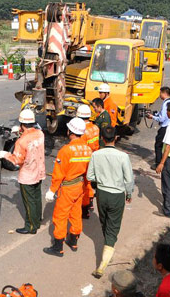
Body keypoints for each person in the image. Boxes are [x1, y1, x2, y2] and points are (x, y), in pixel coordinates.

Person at [87, 126, 134, 278]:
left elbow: (90, 176)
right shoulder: (123, 157)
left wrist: (99, 182)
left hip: (102, 194)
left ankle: (108, 247)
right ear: (116, 138)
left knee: (105, 222)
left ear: (102, 139)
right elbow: (128, 179)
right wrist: (129, 193)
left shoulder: (96, 155)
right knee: (113, 227)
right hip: (116, 195)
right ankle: (102, 264)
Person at [44, 117, 92, 257]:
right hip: (79, 186)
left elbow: (59, 174)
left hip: (68, 188)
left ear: (70, 132)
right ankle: (73, 240)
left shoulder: (66, 150)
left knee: (60, 215)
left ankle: (58, 247)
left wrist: (52, 190)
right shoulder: (87, 149)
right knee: (76, 213)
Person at [0, 109, 46, 234]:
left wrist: (5, 154)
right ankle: (37, 219)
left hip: (28, 175)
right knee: (36, 198)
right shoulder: (40, 134)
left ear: (22, 124)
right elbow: (32, 136)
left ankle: (31, 226)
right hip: (39, 171)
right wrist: (20, 132)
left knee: (29, 201)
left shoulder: (21, 141)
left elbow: (17, 160)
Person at [76, 104, 99, 218]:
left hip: (85, 160)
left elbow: (80, 148)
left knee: (84, 184)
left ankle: (85, 208)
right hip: (94, 158)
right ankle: (89, 204)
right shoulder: (95, 128)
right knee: (89, 183)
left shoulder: (82, 131)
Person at [147, 87, 170, 169]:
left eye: (160, 93)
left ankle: (158, 163)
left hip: (164, 127)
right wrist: (156, 114)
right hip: (169, 126)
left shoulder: (165, 104)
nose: (159, 95)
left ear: (164, 93)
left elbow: (162, 118)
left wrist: (152, 117)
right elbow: (163, 114)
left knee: (158, 145)